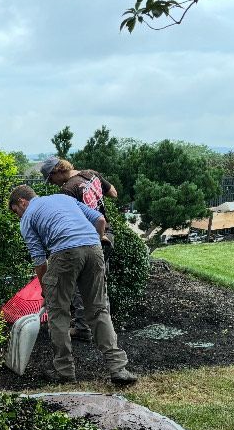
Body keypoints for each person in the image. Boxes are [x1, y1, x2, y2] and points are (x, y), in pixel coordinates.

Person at [8, 184, 137, 386]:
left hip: (64, 253)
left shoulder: (28, 218)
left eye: (16, 212)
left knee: (58, 313)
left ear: (22, 202)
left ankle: (65, 372)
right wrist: (94, 239)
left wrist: (45, 289)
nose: (18, 216)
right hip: (94, 250)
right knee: (98, 310)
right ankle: (118, 369)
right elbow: (100, 219)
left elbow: (39, 260)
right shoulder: (64, 198)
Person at [39, 156, 118, 341]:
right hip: (106, 234)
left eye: (51, 179)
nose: (52, 184)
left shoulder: (68, 190)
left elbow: (67, 222)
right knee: (99, 284)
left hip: (87, 239)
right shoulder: (90, 174)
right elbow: (113, 192)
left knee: (81, 286)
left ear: (57, 171)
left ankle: (84, 329)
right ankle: (105, 330)